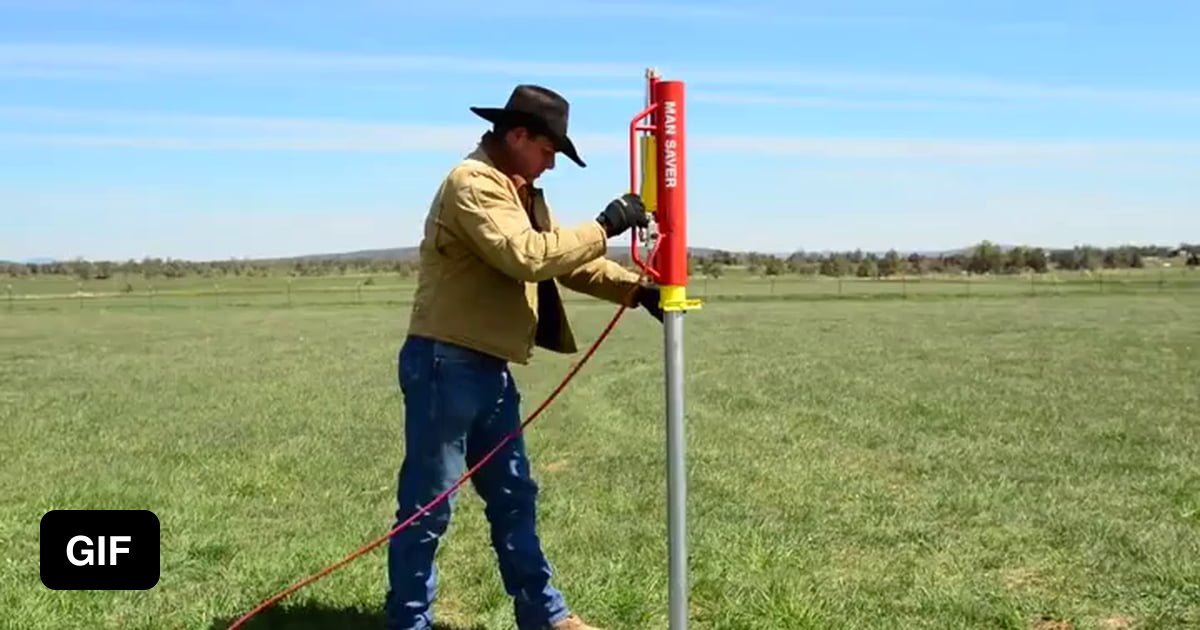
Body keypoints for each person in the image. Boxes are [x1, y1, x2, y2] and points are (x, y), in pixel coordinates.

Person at [384, 84, 663, 630]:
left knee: (514, 495)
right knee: (427, 509)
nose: (551, 165)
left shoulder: (522, 190)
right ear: (517, 135)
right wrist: (606, 224)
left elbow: (564, 258)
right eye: (548, 151)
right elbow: (527, 256)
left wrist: (637, 291)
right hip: (446, 365)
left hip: (490, 369)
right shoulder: (473, 184)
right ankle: (409, 621)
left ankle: (546, 616)